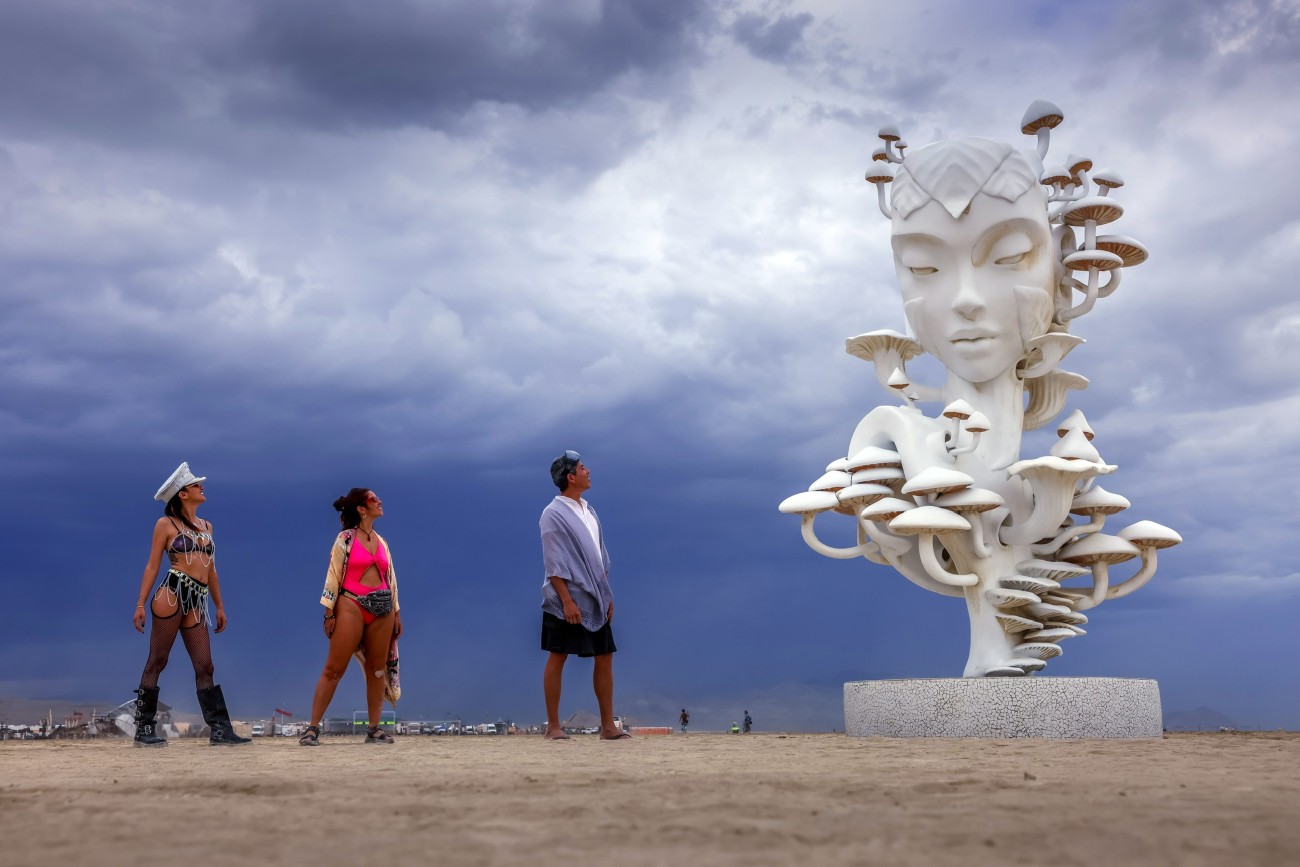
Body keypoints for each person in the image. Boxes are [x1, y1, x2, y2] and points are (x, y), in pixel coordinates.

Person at [132, 462, 251, 747]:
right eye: (196, 485)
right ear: (183, 494)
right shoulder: (165, 525)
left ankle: (220, 730)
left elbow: (211, 570)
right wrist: (140, 603)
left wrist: (220, 606)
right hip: (171, 594)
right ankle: (144, 728)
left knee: (205, 665)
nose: (202, 487)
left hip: (198, 599)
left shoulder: (207, 526)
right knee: (158, 660)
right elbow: (152, 566)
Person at [300, 488, 402, 746]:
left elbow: (391, 580)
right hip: (351, 604)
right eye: (373, 499)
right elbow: (333, 574)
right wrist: (328, 612)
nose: (379, 501)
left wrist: (397, 612)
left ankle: (375, 728)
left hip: (383, 609)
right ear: (361, 509)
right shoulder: (344, 539)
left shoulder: (383, 542)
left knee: (377, 670)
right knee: (334, 669)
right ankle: (312, 728)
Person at [539, 450, 628, 741]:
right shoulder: (552, 513)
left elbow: (599, 556)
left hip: (596, 597)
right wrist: (566, 600)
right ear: (571, 477)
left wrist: (607, 595)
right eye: (582, 467)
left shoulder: (589, 510)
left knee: (605, 657)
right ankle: (553, 727)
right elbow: (553, 561)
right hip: (566, 598)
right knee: (559, 655)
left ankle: (607, 726)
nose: (588, 471)